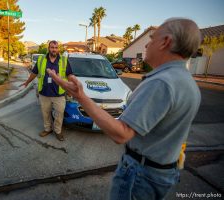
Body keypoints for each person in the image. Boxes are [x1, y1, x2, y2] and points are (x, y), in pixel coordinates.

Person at [46, 18, 201, 199]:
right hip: (162, 171)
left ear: (165, 42)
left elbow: (122, 134)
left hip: (140, 174)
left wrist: (81, 96)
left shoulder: (162, 82)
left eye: (151, 39)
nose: (146, 45)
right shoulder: (187, 81)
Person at [19, 40, 73, 141]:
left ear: (58, 49)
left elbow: (69, 75)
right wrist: (27, 82)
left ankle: (58, 131)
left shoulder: (64, 60)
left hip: (59, 94)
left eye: (56, 48)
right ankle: (48, 129)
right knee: (45, 113)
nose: (54, 49)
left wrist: (70, 89)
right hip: (44, 93)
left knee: (59, 114)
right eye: (52, 47)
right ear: (48, 48)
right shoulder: (41, 59)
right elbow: (34, 72)